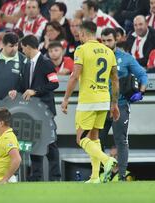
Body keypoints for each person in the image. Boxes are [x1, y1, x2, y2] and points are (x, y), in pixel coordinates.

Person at [61, 21, 120, 184]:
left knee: (81, 139)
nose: (79, 37)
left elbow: (74, 76)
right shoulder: (109, 52)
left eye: (79, 34)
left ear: (83, 34)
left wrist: (66, 98)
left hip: (88, 100)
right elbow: (115, 80)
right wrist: (114, 103)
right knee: (94, 137)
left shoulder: (82, 49)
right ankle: (95, 176)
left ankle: (106, 160)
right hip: (104, 100)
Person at [8, 34, 61, 181]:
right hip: (32, 110)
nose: (22, 51)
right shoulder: (27, 63)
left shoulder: (46, 63)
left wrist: (35, 91)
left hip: (45, 110)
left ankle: (55, 176)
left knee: (50, 142)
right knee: (33, 142)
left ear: (29, 47)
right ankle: (36, 176)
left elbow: (54, 83)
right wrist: (15, 91)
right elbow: (24, 85)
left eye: (23, 48)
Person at [99, 28, 148, 181]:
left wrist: (141, 92)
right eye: (104, 41)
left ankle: (121, 176)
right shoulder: (98, 58)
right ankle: (102, 172)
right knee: (96, 140)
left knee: (120, 140)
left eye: (109, 40)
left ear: (116, 39)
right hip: (100, 106)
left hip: (120, 105)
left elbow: (142, 75)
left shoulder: (126, 58)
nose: (106, 44)